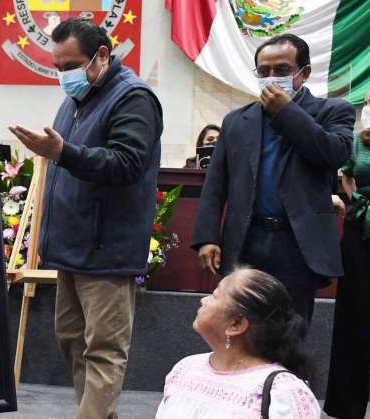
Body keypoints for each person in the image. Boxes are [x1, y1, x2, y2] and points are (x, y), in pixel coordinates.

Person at [8, 18, 163, 419]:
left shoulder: (134, 98)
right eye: (57, 67)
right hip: (71, 249)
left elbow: (127, 163)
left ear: (102, 55)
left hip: (107, 249)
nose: (63, 76)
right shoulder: (76, 100)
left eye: (70, 65)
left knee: (104, 349)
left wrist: (64, 153)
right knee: (72, 340)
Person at [191, 34, 355, 322]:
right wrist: (206, 237)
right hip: (247, 241)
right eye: (264, 72)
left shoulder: (332, 112)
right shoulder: (236, 121)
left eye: (281, 71)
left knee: (290, 333)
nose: (271, 78)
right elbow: (216, 185)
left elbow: (333, 154)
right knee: (240, 329)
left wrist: (287, 112)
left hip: (297, 246)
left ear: (303, 73)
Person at [155, 268, 320, 418]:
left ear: (236, 325)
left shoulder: (282, 392)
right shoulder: (186, 368)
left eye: (215, 295)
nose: (203, 300)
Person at [324, 89, 370, 419]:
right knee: (355, 315)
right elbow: (346, 178)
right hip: (361, 230)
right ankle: (347, 406)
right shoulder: (357, 140)